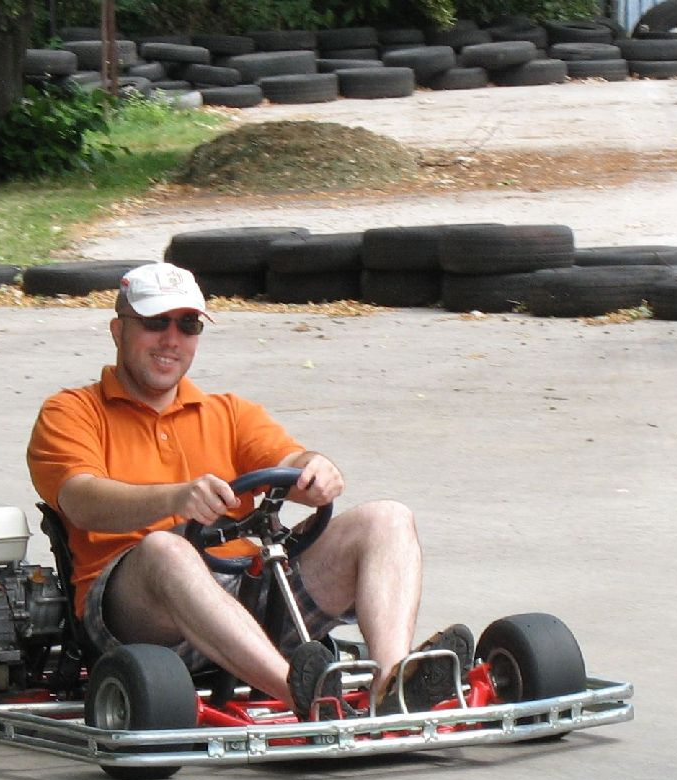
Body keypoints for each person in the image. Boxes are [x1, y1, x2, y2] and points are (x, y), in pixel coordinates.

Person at [26, 262, 472, 720]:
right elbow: (80, 500)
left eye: (188, 325)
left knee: (388, 517)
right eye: (156, 323)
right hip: (136, 613)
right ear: (118, 330)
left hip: (244, 594)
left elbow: (289, 462)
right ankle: (299, 692)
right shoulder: (72, 412)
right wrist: (175, 499)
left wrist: (316, 470)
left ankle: (392, 684)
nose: (171, 339)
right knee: (168, 548)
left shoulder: (227, 412)